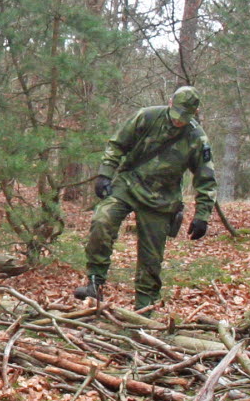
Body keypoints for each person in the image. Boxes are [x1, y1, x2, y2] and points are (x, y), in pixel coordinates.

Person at [76, 86, 217, 310]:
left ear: (195, 112)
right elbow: (117, 144)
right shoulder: (147, 117)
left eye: (185, 117)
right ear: (170, 103)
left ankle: (144, 309)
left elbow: (206, 178)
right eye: (177, 115)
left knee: (151, 258)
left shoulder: (197, 138)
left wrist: (202, 216)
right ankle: (95, 282)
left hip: (162, 198)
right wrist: (105, 173)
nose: (179, 121)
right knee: (102, 220)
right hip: (128, 184)